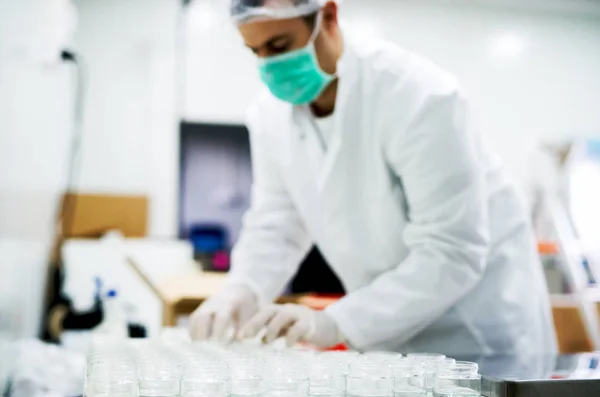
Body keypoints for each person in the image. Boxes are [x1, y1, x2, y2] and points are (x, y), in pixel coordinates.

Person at [189, 0, 557, 355]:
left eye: (280, 45)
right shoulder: (270, 116)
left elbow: (451, 251)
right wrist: (241, 290)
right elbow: (277, 224)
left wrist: (336, 322)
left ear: (328, 16)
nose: (270, 65)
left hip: (475, 334)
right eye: (256, 52)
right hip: (388, 337)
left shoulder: (419, 96)